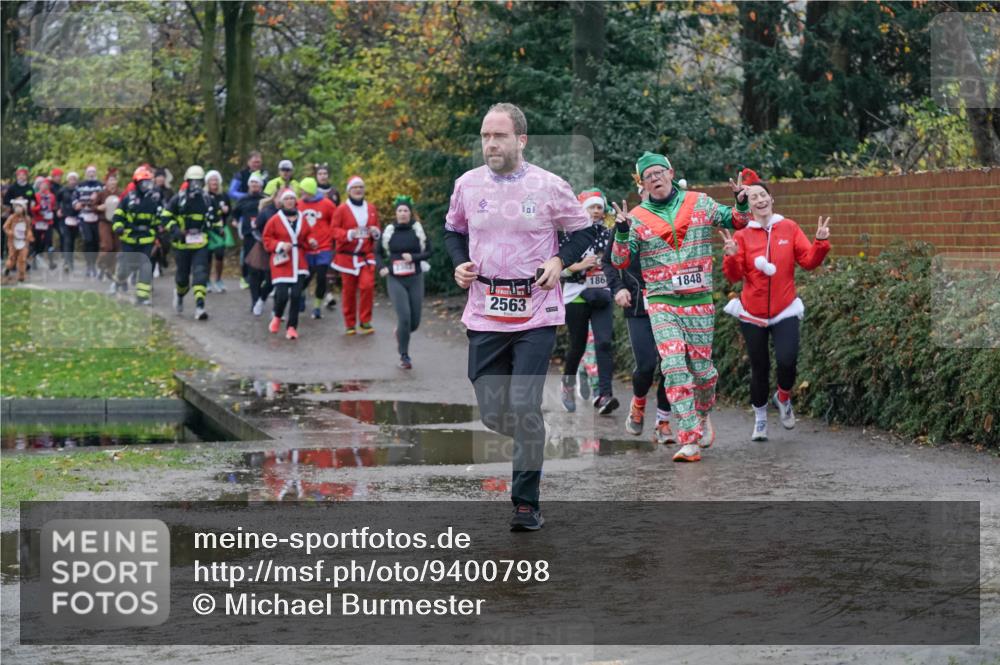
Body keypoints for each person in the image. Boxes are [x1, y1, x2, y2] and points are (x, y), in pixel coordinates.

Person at [444, 102, 595, 531]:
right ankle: (532, 437)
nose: (490, 143)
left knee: (525, 405)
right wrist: (458, 262)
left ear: (521, 140)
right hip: (484, 310)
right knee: (494, 413)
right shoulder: (467, 185)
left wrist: (559, 261)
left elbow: (584, 230)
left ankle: (525, 504)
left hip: (535, 310)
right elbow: (452, 230)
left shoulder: (548, 186)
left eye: (500, 136)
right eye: (485, 135)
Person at [610, 152, 751, 463]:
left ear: (671, 173)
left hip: (699, 301)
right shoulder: (637, 218)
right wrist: (621, 232)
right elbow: (620, 260)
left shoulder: (699, 202)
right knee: (673, 367)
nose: (655, 179)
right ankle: (688, 440)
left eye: (660, 172)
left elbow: (738, 222)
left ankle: (702, 415)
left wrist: (741, 201)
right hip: (662, 303)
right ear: (641, 183)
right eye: (649, 176)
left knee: (704, 374)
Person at [720, 168, 831, 441]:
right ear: (749, 204)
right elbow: (734, 277)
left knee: (787, 360)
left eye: (763, 194)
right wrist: (732, 256)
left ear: (771, 199)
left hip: (785, 308)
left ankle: (783, 397)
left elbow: (808, 261)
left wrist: (820, 241)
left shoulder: (789, 228)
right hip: (752, 312)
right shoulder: (743, 235)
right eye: (753, 196)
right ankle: (759, 418)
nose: (759, 199)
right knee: (759, 368)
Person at [607, 186, 675, 444]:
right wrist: (619, 287)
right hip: (639, 306)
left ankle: (663, 421)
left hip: (670, 302)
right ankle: (638, 404)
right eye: (648, 190)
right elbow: (608, 262)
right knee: (646, 365)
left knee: (670, 364)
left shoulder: (675, 221)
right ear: (641, 192)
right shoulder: (629, 221)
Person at [558, 188, 619, 415]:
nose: (596, 211)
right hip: (576, 294)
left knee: (604, 343)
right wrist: (582, 265)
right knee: (578, 345)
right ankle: (568, 384)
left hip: (601, 291)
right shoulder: (569, 233)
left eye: (599, 207)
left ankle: (604, 395)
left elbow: (617, 259)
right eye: (591, 207)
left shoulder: (607, 232)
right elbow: (560, 267)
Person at [378, 195, 433, 369]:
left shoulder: (418, 231)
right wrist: (382, 267)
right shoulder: (389, 231)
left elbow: (430, 251)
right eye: (400, 211)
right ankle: (404, 355)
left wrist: (414, 257)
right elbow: (377, 252)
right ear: (396, 213)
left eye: (406, 211)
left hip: (415, 277)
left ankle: (401, 333)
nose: (402, 214)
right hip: (395, 279)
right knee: (404, 317)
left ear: (410, 213)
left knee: (414, 322)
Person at [162, 166, 220, 320]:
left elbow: (216, 218)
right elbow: (165, 217)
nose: (196, 185)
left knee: (201, 273)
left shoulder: (208, 199)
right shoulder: (178, 199)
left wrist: (218, 229)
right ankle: (180, 294)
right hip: (182, 245)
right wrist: (176, 232)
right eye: (193, 182)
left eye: (199, 182)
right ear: (187, 182)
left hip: (200, 244)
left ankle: (200, 306)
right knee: (182, 278)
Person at [262, 188, 317, 339]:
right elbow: (266, 239)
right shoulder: (275, 219)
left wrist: (311, 241)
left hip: (299, 261)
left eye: (292, 199)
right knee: (282, 296)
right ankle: (277, 316)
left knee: (296, 295)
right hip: (282, 262)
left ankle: (292, 327)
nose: (290, 201)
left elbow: (307, 234)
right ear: (282, 202)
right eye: (287, 199)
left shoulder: (301, 217)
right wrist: (279, 245)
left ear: (295, 201)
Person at [332, 175, 380, 335]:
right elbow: (334, 231)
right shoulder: (341, 209)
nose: (358, 190)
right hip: (346, 257)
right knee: (349, 290)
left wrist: (375, 232)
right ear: (349, 191)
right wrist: (349, 234)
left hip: (366, 256)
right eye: (355, 188)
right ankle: (350, 323)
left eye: (360, 187)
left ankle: (365, 321)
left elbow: (376, 228)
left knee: (367, 286)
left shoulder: (371, 208)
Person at [111, 166, 163, 305]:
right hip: (129, 238)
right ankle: (117, 282)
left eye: (148, 183)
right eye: (144, 183)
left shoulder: (154, 199)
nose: (147, 186)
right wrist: (119, 227)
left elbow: (159, 219)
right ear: (137, 183)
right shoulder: (128, 199)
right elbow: (117, 216)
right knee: (127, 266)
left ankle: (142, 297)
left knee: (146, 266)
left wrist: (160, 231)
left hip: (147, 239)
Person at [297, 177, 338, 320]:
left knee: (321, 277)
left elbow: (336, 221)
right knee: (305, 278)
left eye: (304, 191)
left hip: (324, 246)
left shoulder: (327, 204)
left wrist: (334, 237)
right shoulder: (298, 204)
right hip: (305, 248)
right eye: (300, 191)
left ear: (310, 191)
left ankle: (316, 307)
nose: (301, 194)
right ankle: (301, 295)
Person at [233, 172, 270, 314]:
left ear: (261, 186)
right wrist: (236, 222)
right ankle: (255, 301)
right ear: (249, 185)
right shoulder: (243, 200)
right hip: (249, 237)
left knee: (265, 271)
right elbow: (235, 213)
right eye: (252, 183)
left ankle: (261, 297)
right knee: (253, 270)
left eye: (257, 183)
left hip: (264, 238)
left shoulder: (266, 200)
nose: (255, 185)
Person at [73, 165, 104, 277]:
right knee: (88, 240)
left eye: (93, 172)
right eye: (89, 172)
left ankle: (94, 264)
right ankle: (89, 265)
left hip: (96, 217)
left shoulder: (101, 186)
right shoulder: (80, 186)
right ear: (86, 174)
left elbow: (105, 199)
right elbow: (74, 198)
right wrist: (76, 203)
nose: (91, 174)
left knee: (96, 242)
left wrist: (98, 198)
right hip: (84, 216)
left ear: (96, 173)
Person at [205, 169, 231, 293]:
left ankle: (218, 279)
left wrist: (227, 211)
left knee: (220, 254)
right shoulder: (204, 195)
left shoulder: (224, 196)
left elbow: (230, 211)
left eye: (216, 179)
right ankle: (207, 281)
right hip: (207, 229)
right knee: (208, 256)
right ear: (207, 182)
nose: (214, 182)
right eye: (211, 180)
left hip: (220, 229)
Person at [95, 171, 122, 286]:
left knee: (116, 247)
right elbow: (93, 207)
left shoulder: (120, 193)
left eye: (114, 180)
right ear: (106, 182)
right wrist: (99, 207)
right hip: (104, 222)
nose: (112, 182)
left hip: (116, 223)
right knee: (107, 246)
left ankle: (110, 270)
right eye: (110, 180)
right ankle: (100, 266)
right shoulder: (101, 193)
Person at [30, 178, 58, 269]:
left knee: (49, 242)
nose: (44, 186)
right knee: (37, 242)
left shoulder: (52, 196)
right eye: (42, 185)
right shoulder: (35, 196)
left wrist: (50, 213)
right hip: (37, 221)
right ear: (39, 186)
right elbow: (32, 209)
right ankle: (34, 260)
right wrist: (40, 208)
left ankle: (51, 262)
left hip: (48, 222)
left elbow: (53, 207)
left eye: (46, 185)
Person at [3, 198, 33, 282]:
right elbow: (5, 227)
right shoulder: (11, 217)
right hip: (13, 241)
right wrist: (11, 233)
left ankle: (21, 276)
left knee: (22, 259)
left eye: (20, 206)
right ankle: (8, 268)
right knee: (12, 258)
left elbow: (29, 229)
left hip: (23, 241)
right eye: (16, 206)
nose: (18, 208)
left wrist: (29, 235)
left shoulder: (27, 218)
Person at [57, 171, 80, 272]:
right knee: (67, 240)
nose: (72, 181)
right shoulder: (62, 190)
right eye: (71, 179)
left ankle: (71, 262)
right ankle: (67, 262)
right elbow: (57, 201)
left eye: (74, 179)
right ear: (67, 180)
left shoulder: (80, 190)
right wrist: (58, 210)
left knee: (73, 241)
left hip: (76, 218)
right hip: (65, 217)